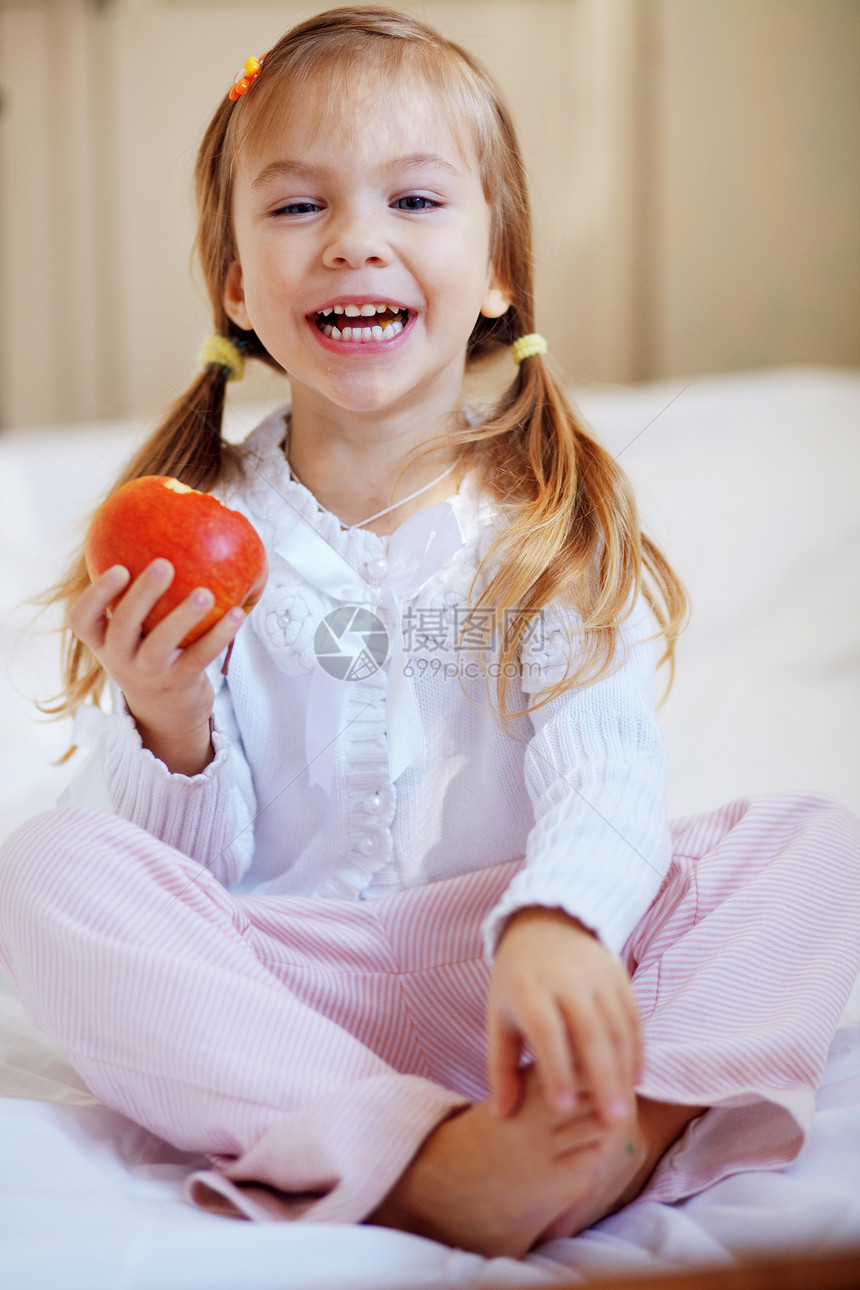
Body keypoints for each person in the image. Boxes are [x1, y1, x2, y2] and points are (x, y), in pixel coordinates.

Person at [1, 4, 858, 1260]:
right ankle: (420, 1162)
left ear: (498, 265)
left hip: (519, 973)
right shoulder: (200, 526)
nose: (355, 243)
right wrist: (169, 725)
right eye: (298, 209)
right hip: (281, 992)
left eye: (412, 202)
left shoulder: (541, 520)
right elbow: (189, 878)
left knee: (809, 844)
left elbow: (601, 762)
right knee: (50, 869)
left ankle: (614, 1129)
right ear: (237, 281)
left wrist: (558, 919)